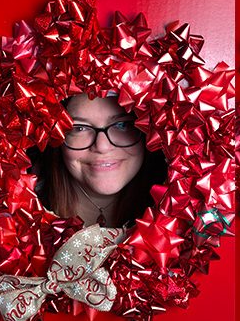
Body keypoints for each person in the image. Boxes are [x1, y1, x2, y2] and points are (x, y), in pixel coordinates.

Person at [34, 94, 166, 227]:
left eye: (122, 124)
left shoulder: (177, 213)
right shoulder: (23, 209)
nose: (102, 147)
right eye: (80, 128)